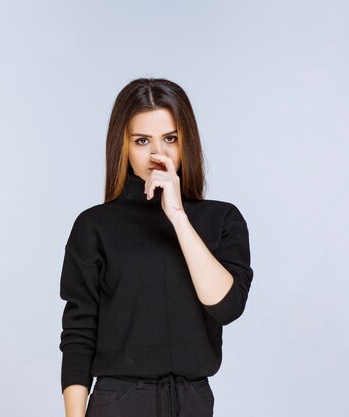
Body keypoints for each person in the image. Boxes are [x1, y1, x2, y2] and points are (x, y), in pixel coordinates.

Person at [58, 78, 254, 417]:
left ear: (186, 143)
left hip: (191, 401)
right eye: (142, 140)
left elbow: (227, 306)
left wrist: (178, 216)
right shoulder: (94, 226)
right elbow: (79, 333)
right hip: (118, 401)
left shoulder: (222, 219)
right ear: (123, 145)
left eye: (170, 139)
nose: (157, 154)